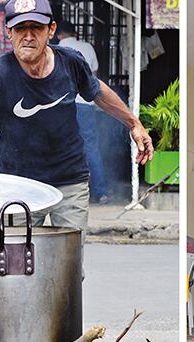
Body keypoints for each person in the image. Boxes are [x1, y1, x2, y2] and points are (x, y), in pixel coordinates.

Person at [0, 0, 153, 232]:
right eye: (20, 28)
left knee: (69, 254)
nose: (28, 36)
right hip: (18, 184)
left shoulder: (71, 61)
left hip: (70, 181)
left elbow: (98, 91)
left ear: (51, 30)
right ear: (9, 32)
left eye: (36, 28)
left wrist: (134, 124)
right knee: (17, 253)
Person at [56, 20, 110, 204]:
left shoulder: (56, 49)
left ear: (58, 34)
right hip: (86, 103)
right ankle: (100, 193)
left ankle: (61, 192)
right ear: (75, 33)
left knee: (62, 146)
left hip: (62, 105)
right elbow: (94, 77)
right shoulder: (87, 48)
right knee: (91, 147)